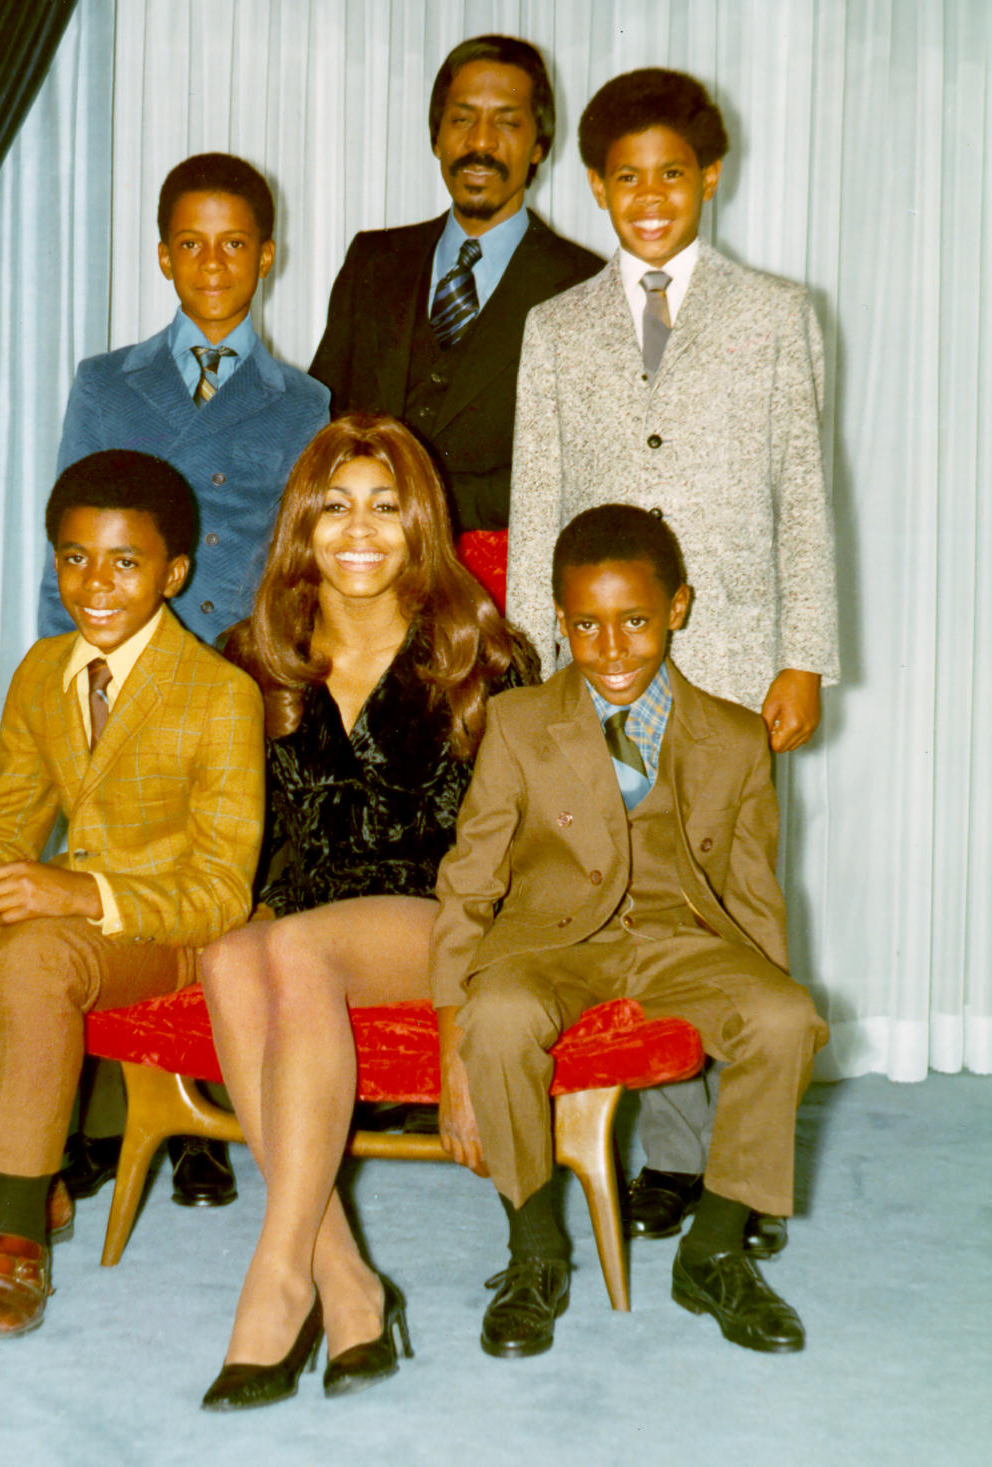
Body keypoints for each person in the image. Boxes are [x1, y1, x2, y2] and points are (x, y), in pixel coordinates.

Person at [506, 68, 840, 1239]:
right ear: (595, 187)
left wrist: (803, 654)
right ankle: (661, 1143)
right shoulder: (557, 327)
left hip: (735, 657)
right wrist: (532, 661)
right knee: (618, 896)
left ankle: (729, 1172)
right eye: (626, 178)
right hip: (598, 660)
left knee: (734, 908)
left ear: (711, 177)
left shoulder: (776, 315)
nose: (650, 198)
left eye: (673, 174)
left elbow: (804, 490)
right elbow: (539, 495)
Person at [0, 450, 264, 1338]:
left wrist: (79, 893)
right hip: (58, 947)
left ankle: (13, 1240)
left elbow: (220, 890)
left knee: (37, 950)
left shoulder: (221, 694)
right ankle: (15, 1178)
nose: (95, 584)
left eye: (125, 561)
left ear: (174, 572)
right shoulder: (41, 672)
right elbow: (0, 839)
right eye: (74, 558)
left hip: (163, 936)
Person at [432, 504, 828, 1359]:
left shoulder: (733, 737)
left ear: (678, 609)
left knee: (787, 1016)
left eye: (636, 621)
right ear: (559, 618)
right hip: (551, 942)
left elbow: (755, 893)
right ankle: (534, 1250)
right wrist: (448, 1030)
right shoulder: (519, 725)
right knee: (496, 1016)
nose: (611, 650)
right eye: (586, 626)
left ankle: (716, 1248)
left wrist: (762, 1002)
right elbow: (469, 883)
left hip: (680, 940)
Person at [198, 414, 537, 1410]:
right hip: (309, 922)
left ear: (420, 523)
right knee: (228, 954)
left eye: (387, 507)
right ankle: (350, 1286)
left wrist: (469, 1030)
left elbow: (521, 862)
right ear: (301, 528)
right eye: (335, 506)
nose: (360, 529)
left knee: (295, 947)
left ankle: (277, 1280)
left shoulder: (485, 656)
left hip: (443, 924)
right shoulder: (254, 659)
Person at [37, 153, 327, 1206]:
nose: (214, 263)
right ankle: (96, 1118)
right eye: (192, 244)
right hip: (118, 672)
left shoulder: (303, 403)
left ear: (268, 256)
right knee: (101, 883)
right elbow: (62, 551)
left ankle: (202, 1119)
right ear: (163, 256)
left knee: (214, 891)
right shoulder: (106, 384)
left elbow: (299, 566)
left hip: (234, 687)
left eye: (235, 243)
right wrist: (57, 684)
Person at [309, 34, 601, 606]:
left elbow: (579, 469)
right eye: (462, 120)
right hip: (364, 588)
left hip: (504, 598)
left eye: (507, 123)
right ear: (437, 136)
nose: (481, 143)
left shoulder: (586, 285)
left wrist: (416, 504)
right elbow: (324, 420)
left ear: (539, 144)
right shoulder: (372, 259)